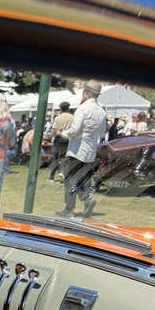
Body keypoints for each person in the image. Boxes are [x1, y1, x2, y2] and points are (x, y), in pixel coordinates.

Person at [58, 80, 107, 217]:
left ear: (87, 93)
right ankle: (87, 200)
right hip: (90, 151)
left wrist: (62, 134)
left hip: (76, 150)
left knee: (70, 181)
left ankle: (69, 209)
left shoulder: (83, 108)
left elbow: (74, 130)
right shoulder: (101, 111)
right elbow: (103, 132)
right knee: (84, 179)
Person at [47, 101, 73, 182]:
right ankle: (64, 175)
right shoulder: (72, 117)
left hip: (58, 139)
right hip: (67, 139)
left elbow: (54, 130)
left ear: (61, 108)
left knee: (55, 158)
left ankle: (51, 177)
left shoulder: (57, 118)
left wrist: (59, 131)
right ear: (68, 108)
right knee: (65, 158)